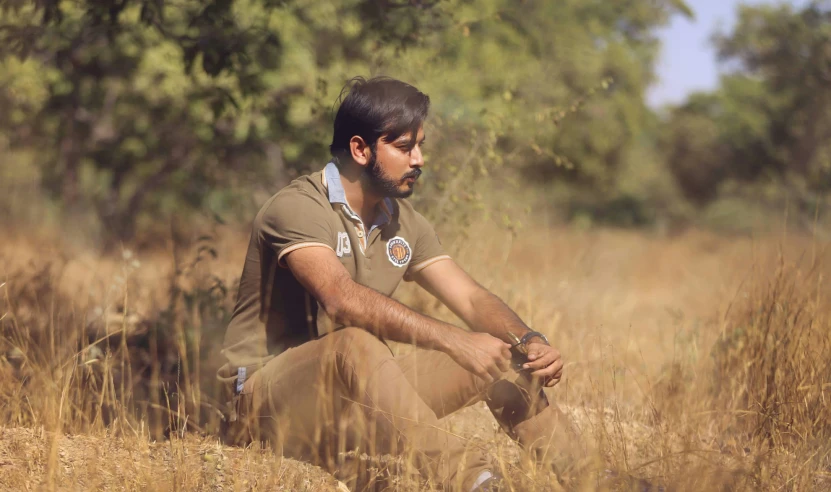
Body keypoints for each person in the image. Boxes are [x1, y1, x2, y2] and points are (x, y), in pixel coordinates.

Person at [217, 76, 588, 491]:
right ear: (360, 149)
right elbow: (341, 301)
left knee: (501, 358)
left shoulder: (402, 220)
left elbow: (470, 296)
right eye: (405, 147)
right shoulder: (298, 206)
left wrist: (529, 341)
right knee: (355, 341)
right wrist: (453, 340)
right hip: (261, 402)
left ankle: (596, 480)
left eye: (421, 146)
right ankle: (475, 481)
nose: (420, 160)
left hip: (353, 401)